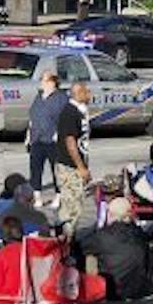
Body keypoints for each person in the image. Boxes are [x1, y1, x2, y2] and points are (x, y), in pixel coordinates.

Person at [54, 82, 94, 228]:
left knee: (77, 206)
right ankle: (65, 242)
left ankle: (69, 239)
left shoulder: (79, 111)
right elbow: (70, 141)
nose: (90, 95)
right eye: (87, 92)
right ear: (79, 93)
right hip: (69, 167)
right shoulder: (69, 113)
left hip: (77, 166)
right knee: (70, 209)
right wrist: (80, 167)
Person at [26, 69, 67, 193]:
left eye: (43, 80)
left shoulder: (61, 98)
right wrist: (28, 136)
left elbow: (65, 119)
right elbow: (32, 117)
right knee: (35, 169)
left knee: (56, 169)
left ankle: (59, 195)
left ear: (52, 82)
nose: (41, 82)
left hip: (52, 140)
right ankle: (36, 194)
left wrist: (58, 135)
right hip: (36, 138)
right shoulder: (38, 97)